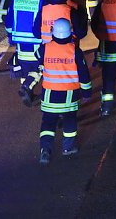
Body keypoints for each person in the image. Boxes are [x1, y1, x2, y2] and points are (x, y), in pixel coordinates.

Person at [33, 18, 92, 165]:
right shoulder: (75, 51)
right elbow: (84, 74)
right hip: (69, 96)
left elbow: (37, 58)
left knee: (48, 122)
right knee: (70, 121)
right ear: (70, 33)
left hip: (49, 95)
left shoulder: (45, 48)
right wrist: (86, 93)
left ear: (53, 32)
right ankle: (68, 148)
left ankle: (45, 150)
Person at [5, 0, 45, 106]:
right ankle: (27, 86)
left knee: (25, 69)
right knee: (39, 68)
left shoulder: (16, 0)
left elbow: (9, 22)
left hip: (20, 44)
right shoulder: (41, 2)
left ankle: (28, 93)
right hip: (36, 43)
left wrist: (10, 37)